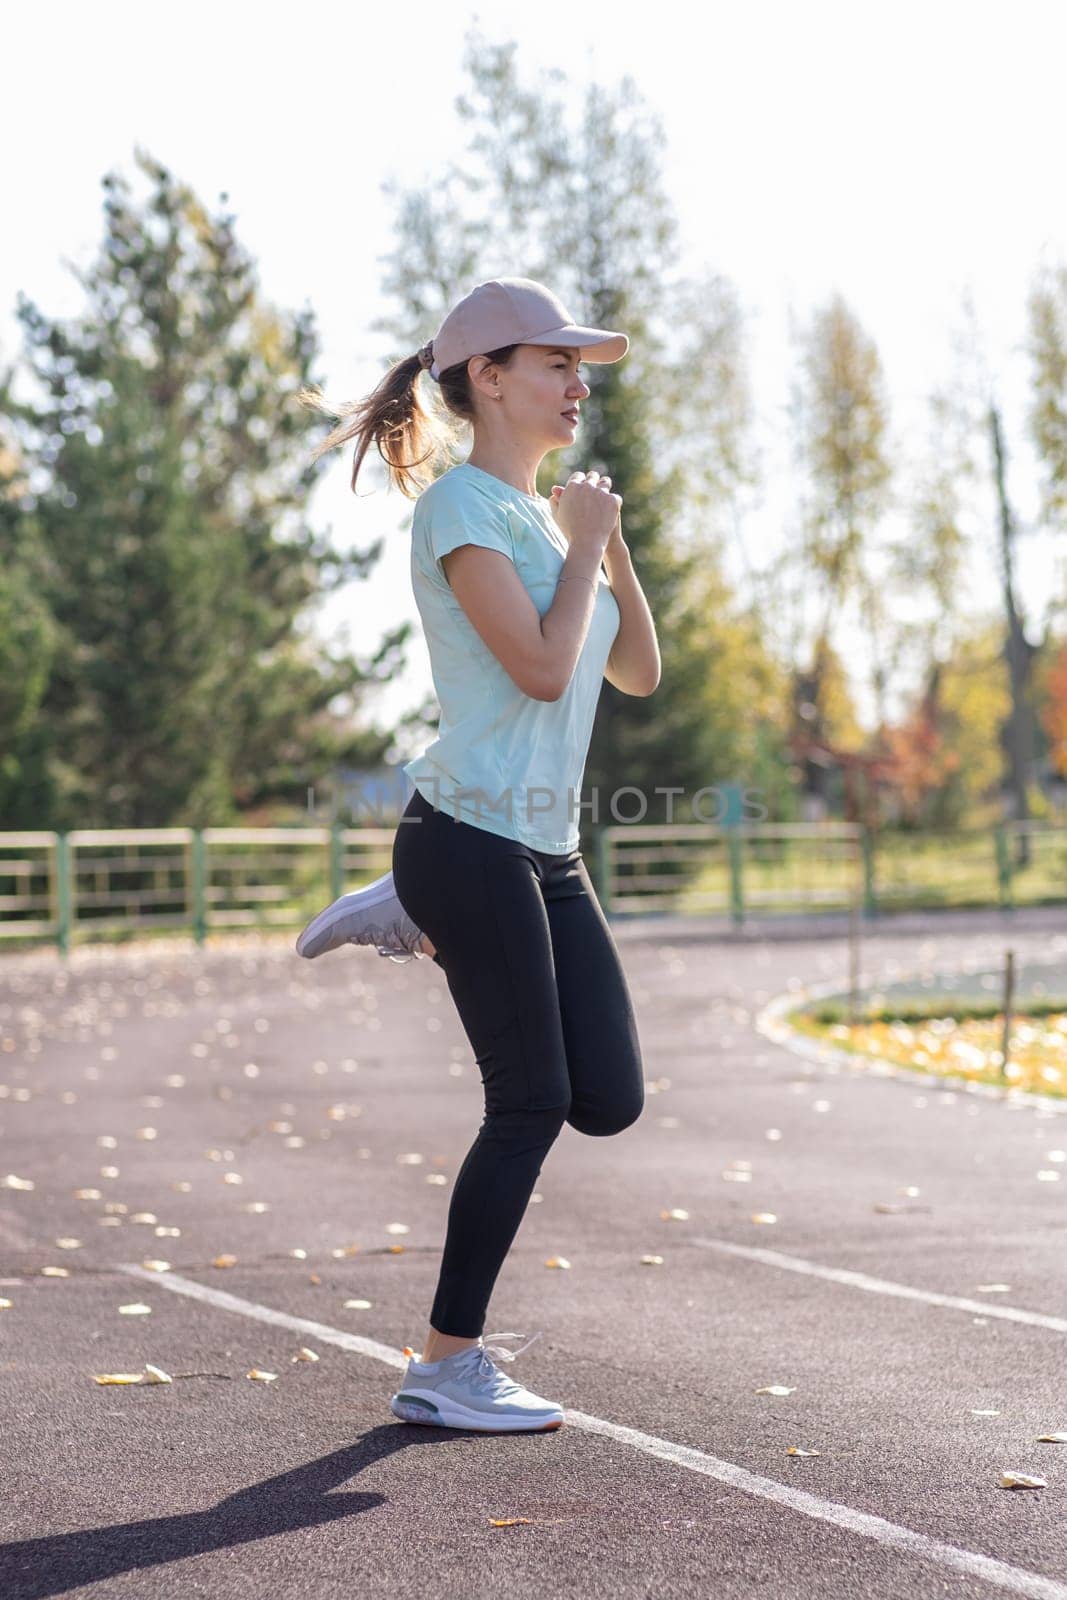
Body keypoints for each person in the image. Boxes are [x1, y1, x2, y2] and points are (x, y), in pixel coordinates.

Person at [295, 277, 659, 1433]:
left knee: (607, 1098)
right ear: (487, 379)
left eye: (579, 365)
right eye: (553, 363)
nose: (576, 382)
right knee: (531, 1101)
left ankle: (413, 909)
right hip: (466, 832)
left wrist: (608, 552)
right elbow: (544, 670)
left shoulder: (554, 521)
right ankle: (445, 1361)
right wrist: (581, 543)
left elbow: (634, 672)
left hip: (539, 845)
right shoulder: (459, 509)